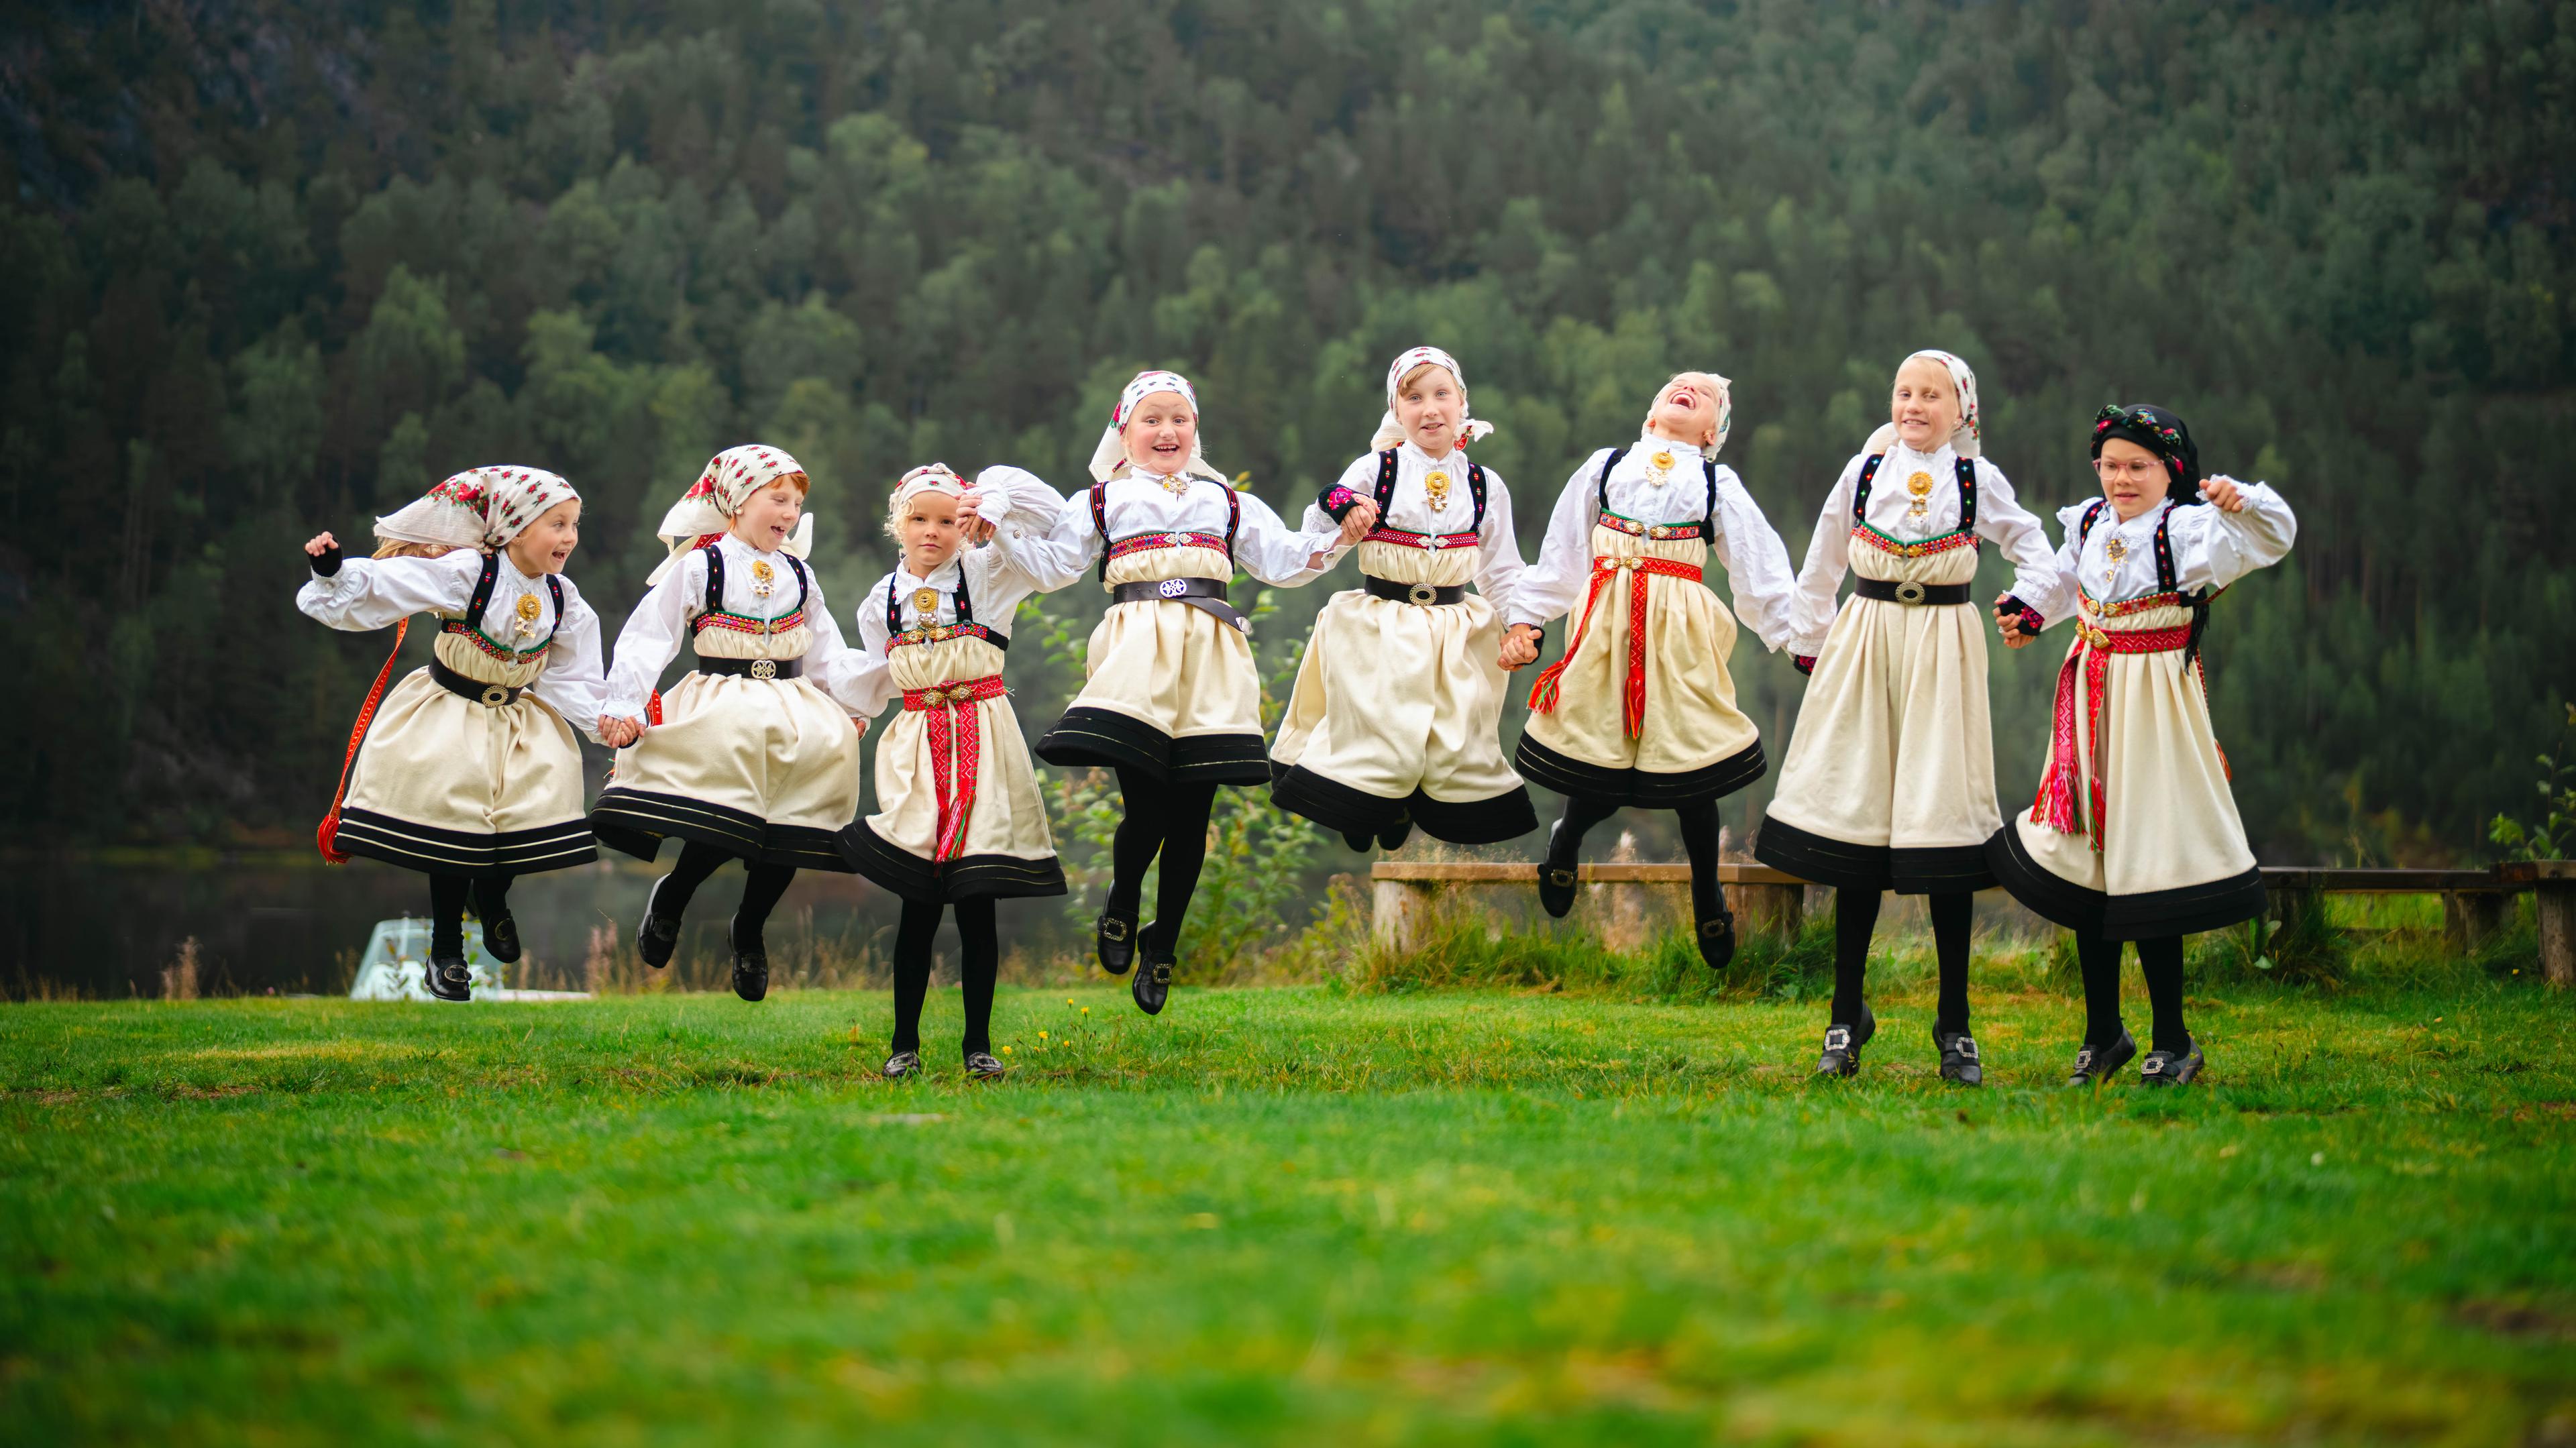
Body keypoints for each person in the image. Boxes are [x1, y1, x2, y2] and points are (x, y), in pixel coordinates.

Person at [1753, 350, 2062, 1084]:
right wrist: (1811, 639)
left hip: (1944, 650)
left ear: (1963, 412)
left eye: (1933, 394)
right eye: (1904, 391)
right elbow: (1824, 558)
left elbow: (2033, 546)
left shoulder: (1973, 479)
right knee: (1858, 816)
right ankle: (1844, 1014)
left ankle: (1954, 1022)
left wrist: (2030, 602)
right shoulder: (1862, 473)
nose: (1915, 404)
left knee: (1944, 818)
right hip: (1865, 643)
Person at [1987, 404, 2296, 1087]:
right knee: (2087, 861)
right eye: (2110, 464)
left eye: (2138, 466)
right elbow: (2070, 582)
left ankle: (2174, 1038)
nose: (2121, 478)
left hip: (2153, 704)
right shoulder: (2092, 521)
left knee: (2148, 862)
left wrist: (2240, 499)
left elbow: (2274, 537)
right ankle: (2104, 1033)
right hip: (2091, 693)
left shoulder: (2188, 530)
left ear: (2171, 471)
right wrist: (2031, 612)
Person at [1021, 370, 1343, 1014]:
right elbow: (1054, 566)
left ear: (1196, 430)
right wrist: (995, 527)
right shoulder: (1102, 501)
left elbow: (1284, 561)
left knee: (1193, 814)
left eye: (1179, 420)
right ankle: (1123, 898)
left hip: (1211, 657)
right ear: (1125, 430)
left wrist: (1341, 526)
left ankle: (1162, 944)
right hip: (1137, 652)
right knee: (1147, 807)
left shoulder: (1224, 502)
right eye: (1152, 419)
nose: (1167, 431)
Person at [1503, 372, 1801, 970]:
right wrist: (1527, 621)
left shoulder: (1717, 481)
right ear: (1651, 415)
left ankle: (1705, 892)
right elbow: (1563, 550)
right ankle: (1566, 840)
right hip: (1606, 624)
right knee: (1601, 757)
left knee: (1690, 762)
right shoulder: (1607, 466)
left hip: (1680, 637)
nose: (1687, 390)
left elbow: (1758, 566)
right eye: (1676, 386)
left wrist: (1799, 639)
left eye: (1705, 394)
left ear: (1712, 429)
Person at [298, 465, 604, 1002]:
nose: (570, 537)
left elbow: (573, 676)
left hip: (516, 717)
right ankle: (446, 951)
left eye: (575, 525)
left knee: (528, 809)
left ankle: (491, 896)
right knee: (456, 823)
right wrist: (334, 573)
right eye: (557, 524)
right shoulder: (470, 572)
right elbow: (392, 584)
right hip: (453, 710)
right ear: (516, 526)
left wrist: (607, 719)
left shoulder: (564, 597)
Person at [592, 445, 877, 1003]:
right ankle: (675, 893)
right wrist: (626, 702)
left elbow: (823, 647)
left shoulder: (798, 571)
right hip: (724, 700)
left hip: (793, 703)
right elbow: (651, 633)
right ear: (737, 501)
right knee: (733, 807)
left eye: (795, 503)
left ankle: (749, 926)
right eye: (778, 499)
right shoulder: (702, 565)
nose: (789, 513)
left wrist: (847, 703)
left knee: (797, 818)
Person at [841, 463, 1071, 1080]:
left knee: (977, 900)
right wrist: (851, 715)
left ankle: (978, 1045)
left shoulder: (991, 571)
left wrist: (991, 504)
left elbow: (1054, 521)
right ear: (899, 524)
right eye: (920, 518)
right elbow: (875, 673)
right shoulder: (880, 599)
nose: (933, 531)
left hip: (984, 737)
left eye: (947, 519)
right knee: (918, 902)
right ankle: (903, 1044)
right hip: (918, 748)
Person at [1271, 345, 1536, 850]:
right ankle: (1363, 803)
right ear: (1397, 410)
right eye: (1413, 397)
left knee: (1444, 735)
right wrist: (1344, 512)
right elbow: (1318, 529)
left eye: (1441, 394)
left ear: (1463, 404)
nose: (1429, 407)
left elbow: (1501, 569)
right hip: (1383, 622)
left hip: (1453, 627)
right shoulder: (1378, 469)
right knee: (1381, 722)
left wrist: (1521, 624)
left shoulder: (1483, 485)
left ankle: (1400, 806)